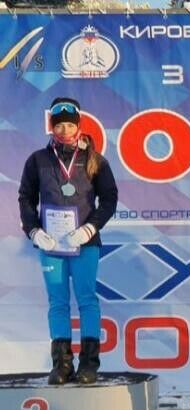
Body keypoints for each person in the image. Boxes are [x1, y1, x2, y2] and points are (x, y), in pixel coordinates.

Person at [18, 97, 118, 385]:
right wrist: (34, 231)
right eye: (59, 125)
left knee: (87, 299)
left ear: (78, 126)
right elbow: (25, 198)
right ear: (51, 127)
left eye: (70, 125)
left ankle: (89, 364)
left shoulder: (95, 160)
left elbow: (109, 198)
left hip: (84, 244)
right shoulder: (37, 160)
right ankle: (61, 365)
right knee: (58, 302)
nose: (64, 130)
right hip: (51, 246)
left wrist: (90, 228)